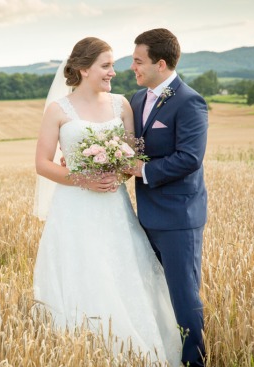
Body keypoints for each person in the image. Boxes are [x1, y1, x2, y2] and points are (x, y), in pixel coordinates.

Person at [33, 36, 182, 365]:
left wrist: (120, 175)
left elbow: (132, 156)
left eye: (113, 65)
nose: (114, 72)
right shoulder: (58, 110)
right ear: (84, 69)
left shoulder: (121, 105)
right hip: (74, 208)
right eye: (106, 65)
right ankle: (80, 352)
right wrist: (80, 178)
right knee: (81, 273)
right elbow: (42, 163)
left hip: (114, 207)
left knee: (121, 273)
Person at [124, 28, 208, 367]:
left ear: (161, 63)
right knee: (152, 294)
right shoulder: (135, 100)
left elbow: (190, 158)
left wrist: (140, 170)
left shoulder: (190, 101)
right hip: (142, 216)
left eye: (138, 61)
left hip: (178, 219)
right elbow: (124, 147)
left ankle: (194, 362)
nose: (132, 67)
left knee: (184, 297)